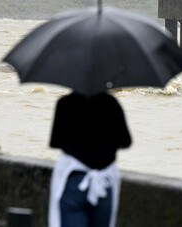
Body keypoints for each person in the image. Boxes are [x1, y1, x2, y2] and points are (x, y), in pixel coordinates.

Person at [48, 91, 132, 227]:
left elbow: (55, 142)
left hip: (73, 180)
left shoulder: (65, 103)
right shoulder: (111, 103)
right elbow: (126, 141)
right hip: (104, 183)